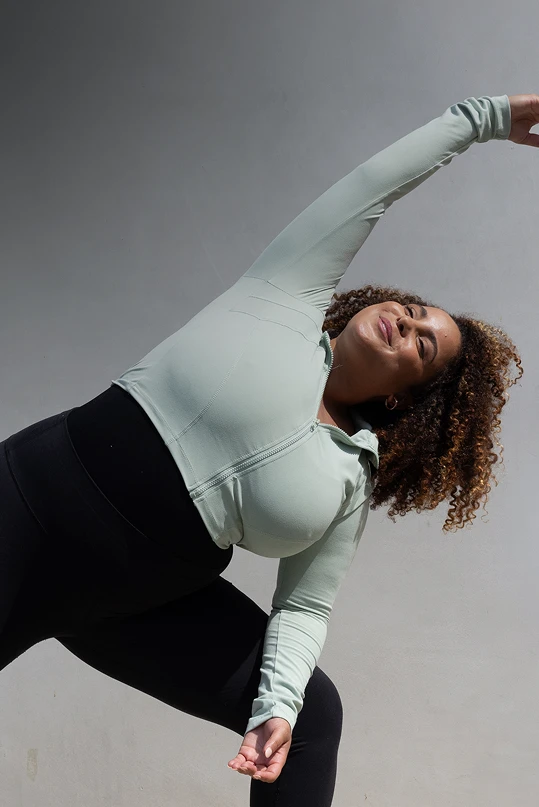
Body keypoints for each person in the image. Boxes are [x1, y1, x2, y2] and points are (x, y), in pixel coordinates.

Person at [0, 91, 534, 806]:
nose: (404, 323)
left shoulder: (351, 475)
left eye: (421, 343)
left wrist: (276, 705)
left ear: (406, 397)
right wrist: (482, 120)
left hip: (127, 600)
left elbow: (304, 607)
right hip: (29, 512)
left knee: (311, 716)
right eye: (409, 310)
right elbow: (373, 187)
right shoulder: (285, 294)